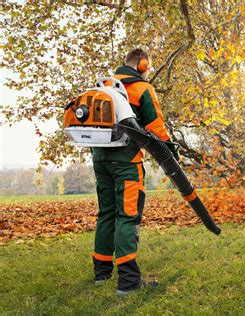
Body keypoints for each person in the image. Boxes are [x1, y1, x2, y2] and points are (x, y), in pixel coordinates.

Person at [91, 48, 180, 295]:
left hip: (100, 159)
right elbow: (156, 129)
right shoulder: (142, 89)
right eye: (147, 66)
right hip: (127, 161)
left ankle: (101, 273)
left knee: (106, 213)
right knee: (127, 216)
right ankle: (129, 282)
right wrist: (172, 153)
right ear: (142, 64)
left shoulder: (103, 88)